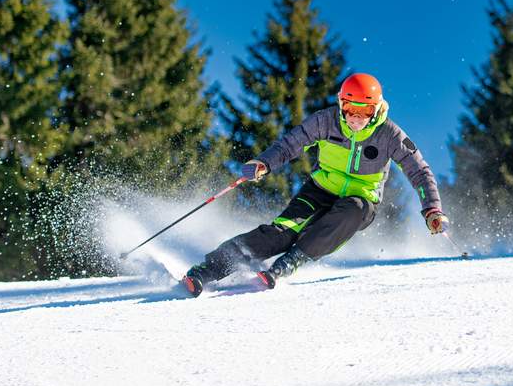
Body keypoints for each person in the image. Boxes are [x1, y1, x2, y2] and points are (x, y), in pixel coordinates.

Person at [181, 72, 449, 296]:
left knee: (351, 210)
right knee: (281, 232)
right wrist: (264, 163)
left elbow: (419, 171)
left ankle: (292, 261)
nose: (356, 117)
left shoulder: (389, 134)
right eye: (350, 108)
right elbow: (290, 144)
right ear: (341, 104)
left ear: (377, 109)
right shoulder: (325, 120)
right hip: (319, 190)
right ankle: (208, 269)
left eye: (364, 111)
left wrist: (432, 209)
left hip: (361, 200)